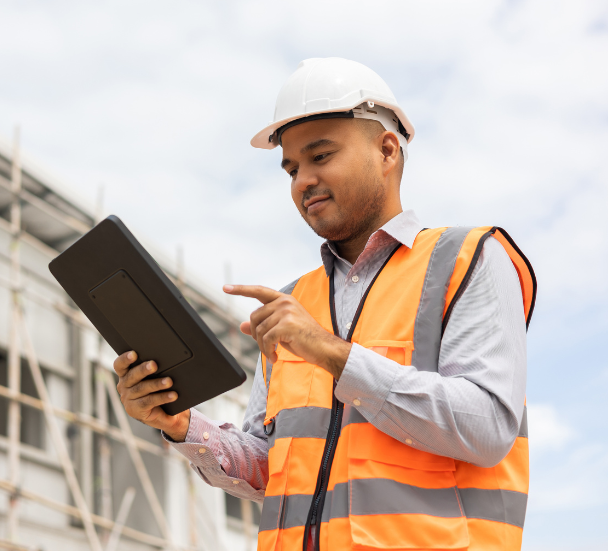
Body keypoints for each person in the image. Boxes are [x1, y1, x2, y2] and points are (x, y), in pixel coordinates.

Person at [114, 58, 535, 551]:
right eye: (291, 168)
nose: (302, 181)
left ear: (386, 150)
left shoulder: (469, 259)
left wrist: (330, 352)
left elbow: (486, 428)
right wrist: (183, 426)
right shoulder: (295, 303)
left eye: (321, 156)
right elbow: (272, 468)